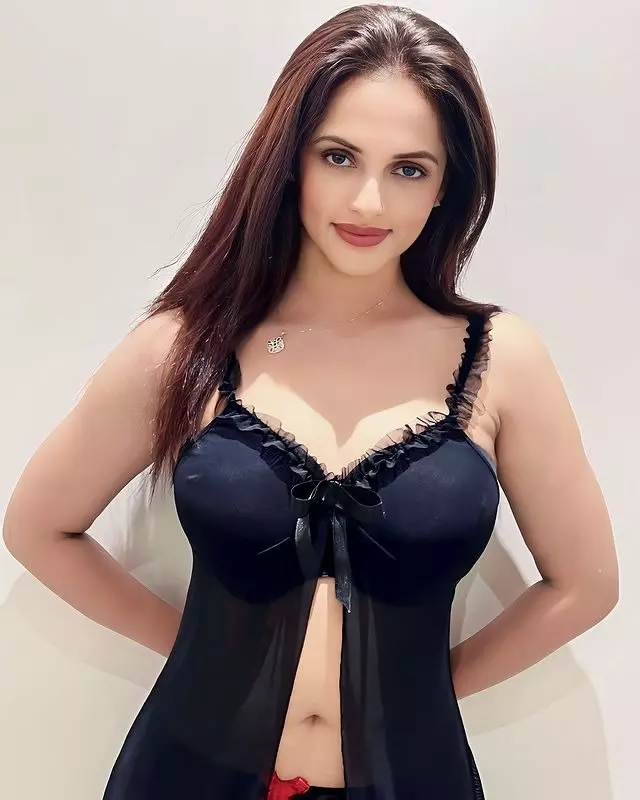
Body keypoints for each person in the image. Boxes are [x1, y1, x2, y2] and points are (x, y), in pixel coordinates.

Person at [2, 4, 619, 799]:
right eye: (339, 156)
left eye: (409, 169)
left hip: (411, 780)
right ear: (291, 160)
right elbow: (38, 526)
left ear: (447, 187)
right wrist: (195, 652)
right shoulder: (184, 347)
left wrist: (425, 694)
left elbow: (586, 585)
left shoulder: (501, 360)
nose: (368, 203)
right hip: (188, 772)